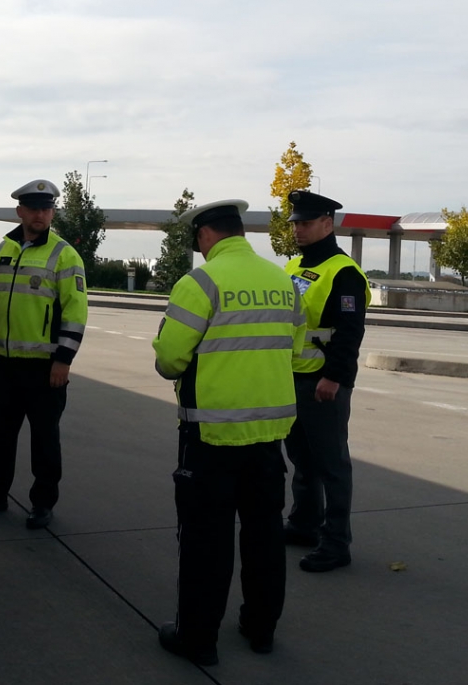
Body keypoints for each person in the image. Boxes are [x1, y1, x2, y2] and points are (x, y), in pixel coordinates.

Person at [152, 199, 305, 666]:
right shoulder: (284, 282)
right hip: (268, 440)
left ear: (205, 236)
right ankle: (261, 630)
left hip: (211, 440)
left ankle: (198, 640)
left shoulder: (199, 283)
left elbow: (169, 360)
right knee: (263, 537)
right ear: (240, 232)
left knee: (205, 542)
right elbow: (297, 354)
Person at [0, 179, 89, 530]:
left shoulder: (64, 255)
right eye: (33, 209)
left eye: (46, 209)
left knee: (45, 439)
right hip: (5, 365)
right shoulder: (2, 251)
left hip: (45, 368)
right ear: (20, 212)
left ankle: (42, 503)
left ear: (52, 212)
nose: (40, 215)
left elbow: (76, 313)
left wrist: (64, 360)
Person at [282, 190, 371, 573]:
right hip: (291, 378)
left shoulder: (343, 272)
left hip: (323, 383)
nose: (299, 229)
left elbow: (350, 332)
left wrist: (334, 377)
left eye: (306, 222)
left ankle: (336, 542)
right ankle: (304, 523)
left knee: (331, 463)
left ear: (327, 223)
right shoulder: (291, 268)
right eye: (296, 223)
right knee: (301, 457)